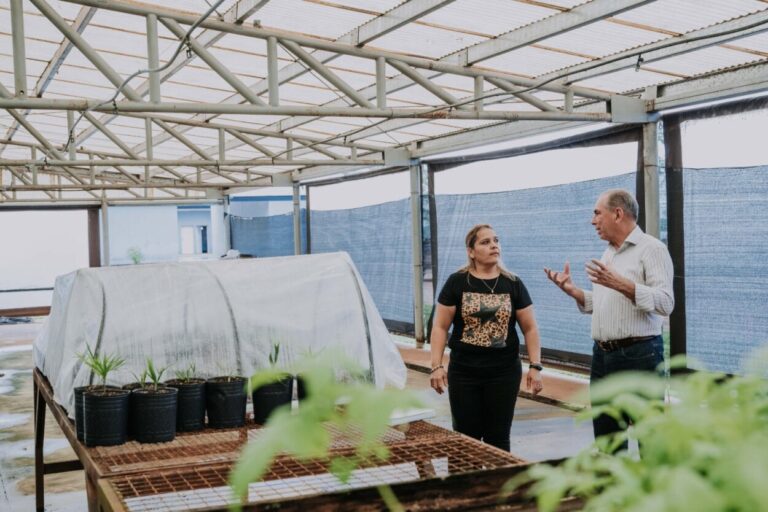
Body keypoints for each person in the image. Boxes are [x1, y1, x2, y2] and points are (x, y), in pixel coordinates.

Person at [544, 189, 674, 441]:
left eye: (596, 213)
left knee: (650, 439)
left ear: (617, 213)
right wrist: (574, 292)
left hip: (639, 357)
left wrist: (621, 284)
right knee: (607, 440)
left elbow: (666, 303)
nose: (593, 221)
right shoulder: (609, 253)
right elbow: (604, 303)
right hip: (603, 357)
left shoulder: (652, 249)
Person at [430, 224, 543, 452]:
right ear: (471, 251)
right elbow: (440, 327)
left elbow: (530, 328)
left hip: (503, 373)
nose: (494, 245)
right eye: (485, 242)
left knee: (498, 439)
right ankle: (465, 487)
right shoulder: (457, 282)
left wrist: (535, 366)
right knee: (464, 439)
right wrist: (436, 366)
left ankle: (497, 487)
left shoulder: (513, 283)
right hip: (464, 372)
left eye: (496, 240)